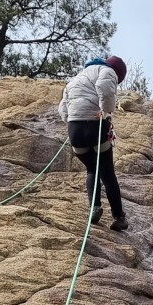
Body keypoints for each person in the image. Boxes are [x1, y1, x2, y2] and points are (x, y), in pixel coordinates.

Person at [58, 55, 129, 231]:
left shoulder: (77, 77)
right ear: (118, 72)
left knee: (91, 169)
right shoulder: (108, 71)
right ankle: (119, 217)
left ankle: (94, 208)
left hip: (74, 131)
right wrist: (106, 111)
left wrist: (72, 120)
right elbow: (104, 87)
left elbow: (62, 107)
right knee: (107, 173)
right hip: (95, 125)